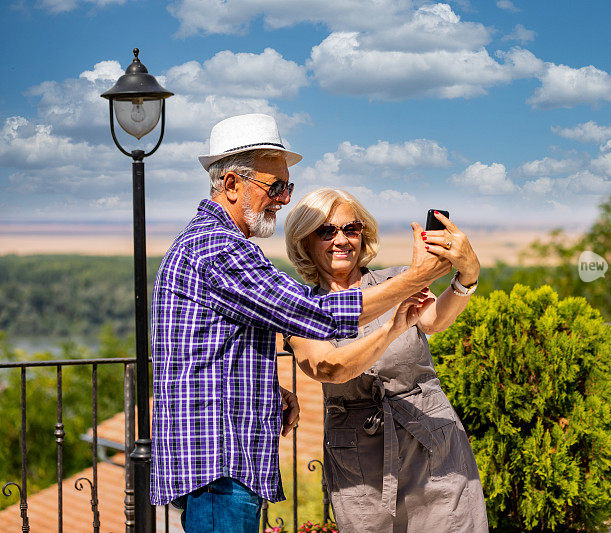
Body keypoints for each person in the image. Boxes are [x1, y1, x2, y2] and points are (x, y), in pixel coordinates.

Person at [149, 114, 450, 533]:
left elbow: (203, 351)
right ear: (231, 185)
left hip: (218, 458)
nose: (283, 199)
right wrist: (415, 279)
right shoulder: (219, 247)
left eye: (286, 187)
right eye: (274, 187)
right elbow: (317, 313)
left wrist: (264, 392)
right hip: (220, 461)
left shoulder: (206, 243)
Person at [282, 188, 489, 532]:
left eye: (351, 229)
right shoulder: (298, 308)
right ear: (305, 242)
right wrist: (393, 328)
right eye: (326, 230)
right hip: (360, 467)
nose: (342, 240)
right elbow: (328, 367)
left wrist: (466, 278)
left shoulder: (394, 281)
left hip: (433, 445)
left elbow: (434, 319)